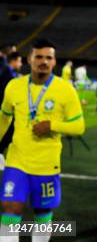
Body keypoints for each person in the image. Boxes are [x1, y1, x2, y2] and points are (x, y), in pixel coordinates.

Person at [0, 39, 85, 242]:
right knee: (10, 207)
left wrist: (52, 126)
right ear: (30, 59)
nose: (44, 61)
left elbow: (78, 126)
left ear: (55, 62)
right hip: (17, 160)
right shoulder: (14, 86)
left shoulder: (65, 90)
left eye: (49, 57)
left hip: (47, 164)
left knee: (42, 213)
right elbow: (4, 116)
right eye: (39, 57)